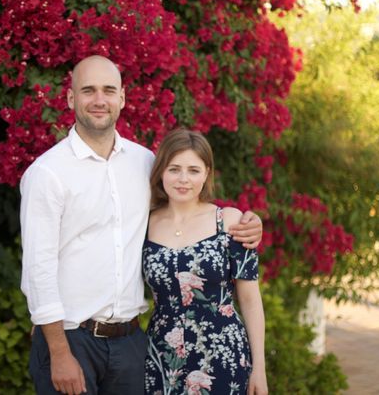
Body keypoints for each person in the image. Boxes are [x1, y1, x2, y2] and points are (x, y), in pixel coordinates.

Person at [19, 55, 263, 395]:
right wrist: (57, 351)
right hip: (72, 340)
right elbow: (38, 270)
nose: (99, 100)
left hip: (131, 344)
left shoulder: (143, 162)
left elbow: (186, 213)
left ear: (122, 98)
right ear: (71, 99)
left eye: (108, 90)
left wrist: (248, 222)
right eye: (88, 90)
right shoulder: (48, 174)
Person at [143, 129, 268, 395]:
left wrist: (259, 367)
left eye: (193, 170)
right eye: (174, 169)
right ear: (161, 172)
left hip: (222, 354)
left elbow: (250, 299)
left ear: (206, 174)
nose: (183, 179)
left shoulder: (230, 222)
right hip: (164, 357)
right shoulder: (144, 224)